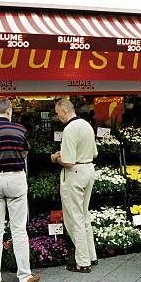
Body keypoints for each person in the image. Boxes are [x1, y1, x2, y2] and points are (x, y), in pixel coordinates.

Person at [0, 98, 39, 282]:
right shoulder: (20, 130)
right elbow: (25, 153)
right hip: (15, 178)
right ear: (9, 110)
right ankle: (24, 276)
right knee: (19, 229)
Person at [51, 99, 98, 273]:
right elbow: (94, 153)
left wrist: (55, 157)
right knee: (84, 215)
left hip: (75, 174)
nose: (58, 116)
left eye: (57, 113)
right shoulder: (86, 125)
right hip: (88, 169)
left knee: (74, 218)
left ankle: (83, 262)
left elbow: (68, 162)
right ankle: (91, 256)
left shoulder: (70, 128)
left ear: (64, 110)